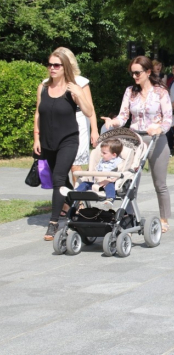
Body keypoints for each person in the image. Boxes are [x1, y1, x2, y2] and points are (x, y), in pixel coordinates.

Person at [102, 56, 173, 233]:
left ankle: (164, 219)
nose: (134, 76)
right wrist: (113, 121)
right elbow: (123, 116)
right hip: (134, 140)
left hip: (156, 140)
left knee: (160, 183)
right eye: (132, 73)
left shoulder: (161, 92)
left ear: (148, 72)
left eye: (137, 72)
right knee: (130, 181)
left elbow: (168, 120)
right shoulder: (130, 91)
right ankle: (130, 217)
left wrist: (159, 129)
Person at [33, 50, 94, 241]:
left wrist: (79, 95)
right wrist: (36, 137)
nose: (52, 68)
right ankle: (78, 205)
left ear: (64, 67)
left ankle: (53, 223)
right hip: (48, 141)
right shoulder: (43, 87)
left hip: (69, 140)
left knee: (58, 178)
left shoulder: (72, 88)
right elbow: (38, 113)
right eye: (50, 64)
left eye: (56, 65)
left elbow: (89, 111)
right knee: (58, 179)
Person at [52, 47, 99, 189]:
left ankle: (79, 201)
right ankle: (65, 200)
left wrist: (95, 130)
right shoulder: (49, 82)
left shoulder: (81, 81)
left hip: (79, 121)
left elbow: (90, 108)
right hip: (57, 124)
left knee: (75, 164)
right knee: (58, 165)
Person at [72, 138, 123, 210]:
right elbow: (96, 170)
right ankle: (76, 192)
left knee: (110, 187)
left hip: (108, 182)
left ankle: (110, 199)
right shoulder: (102, 161)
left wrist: (109, 180)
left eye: (104, 153)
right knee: (84, 183)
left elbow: (119, 173)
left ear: (114, 155)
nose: (101, 155)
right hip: (97, 182)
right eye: (101, 152)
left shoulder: (117, 162)